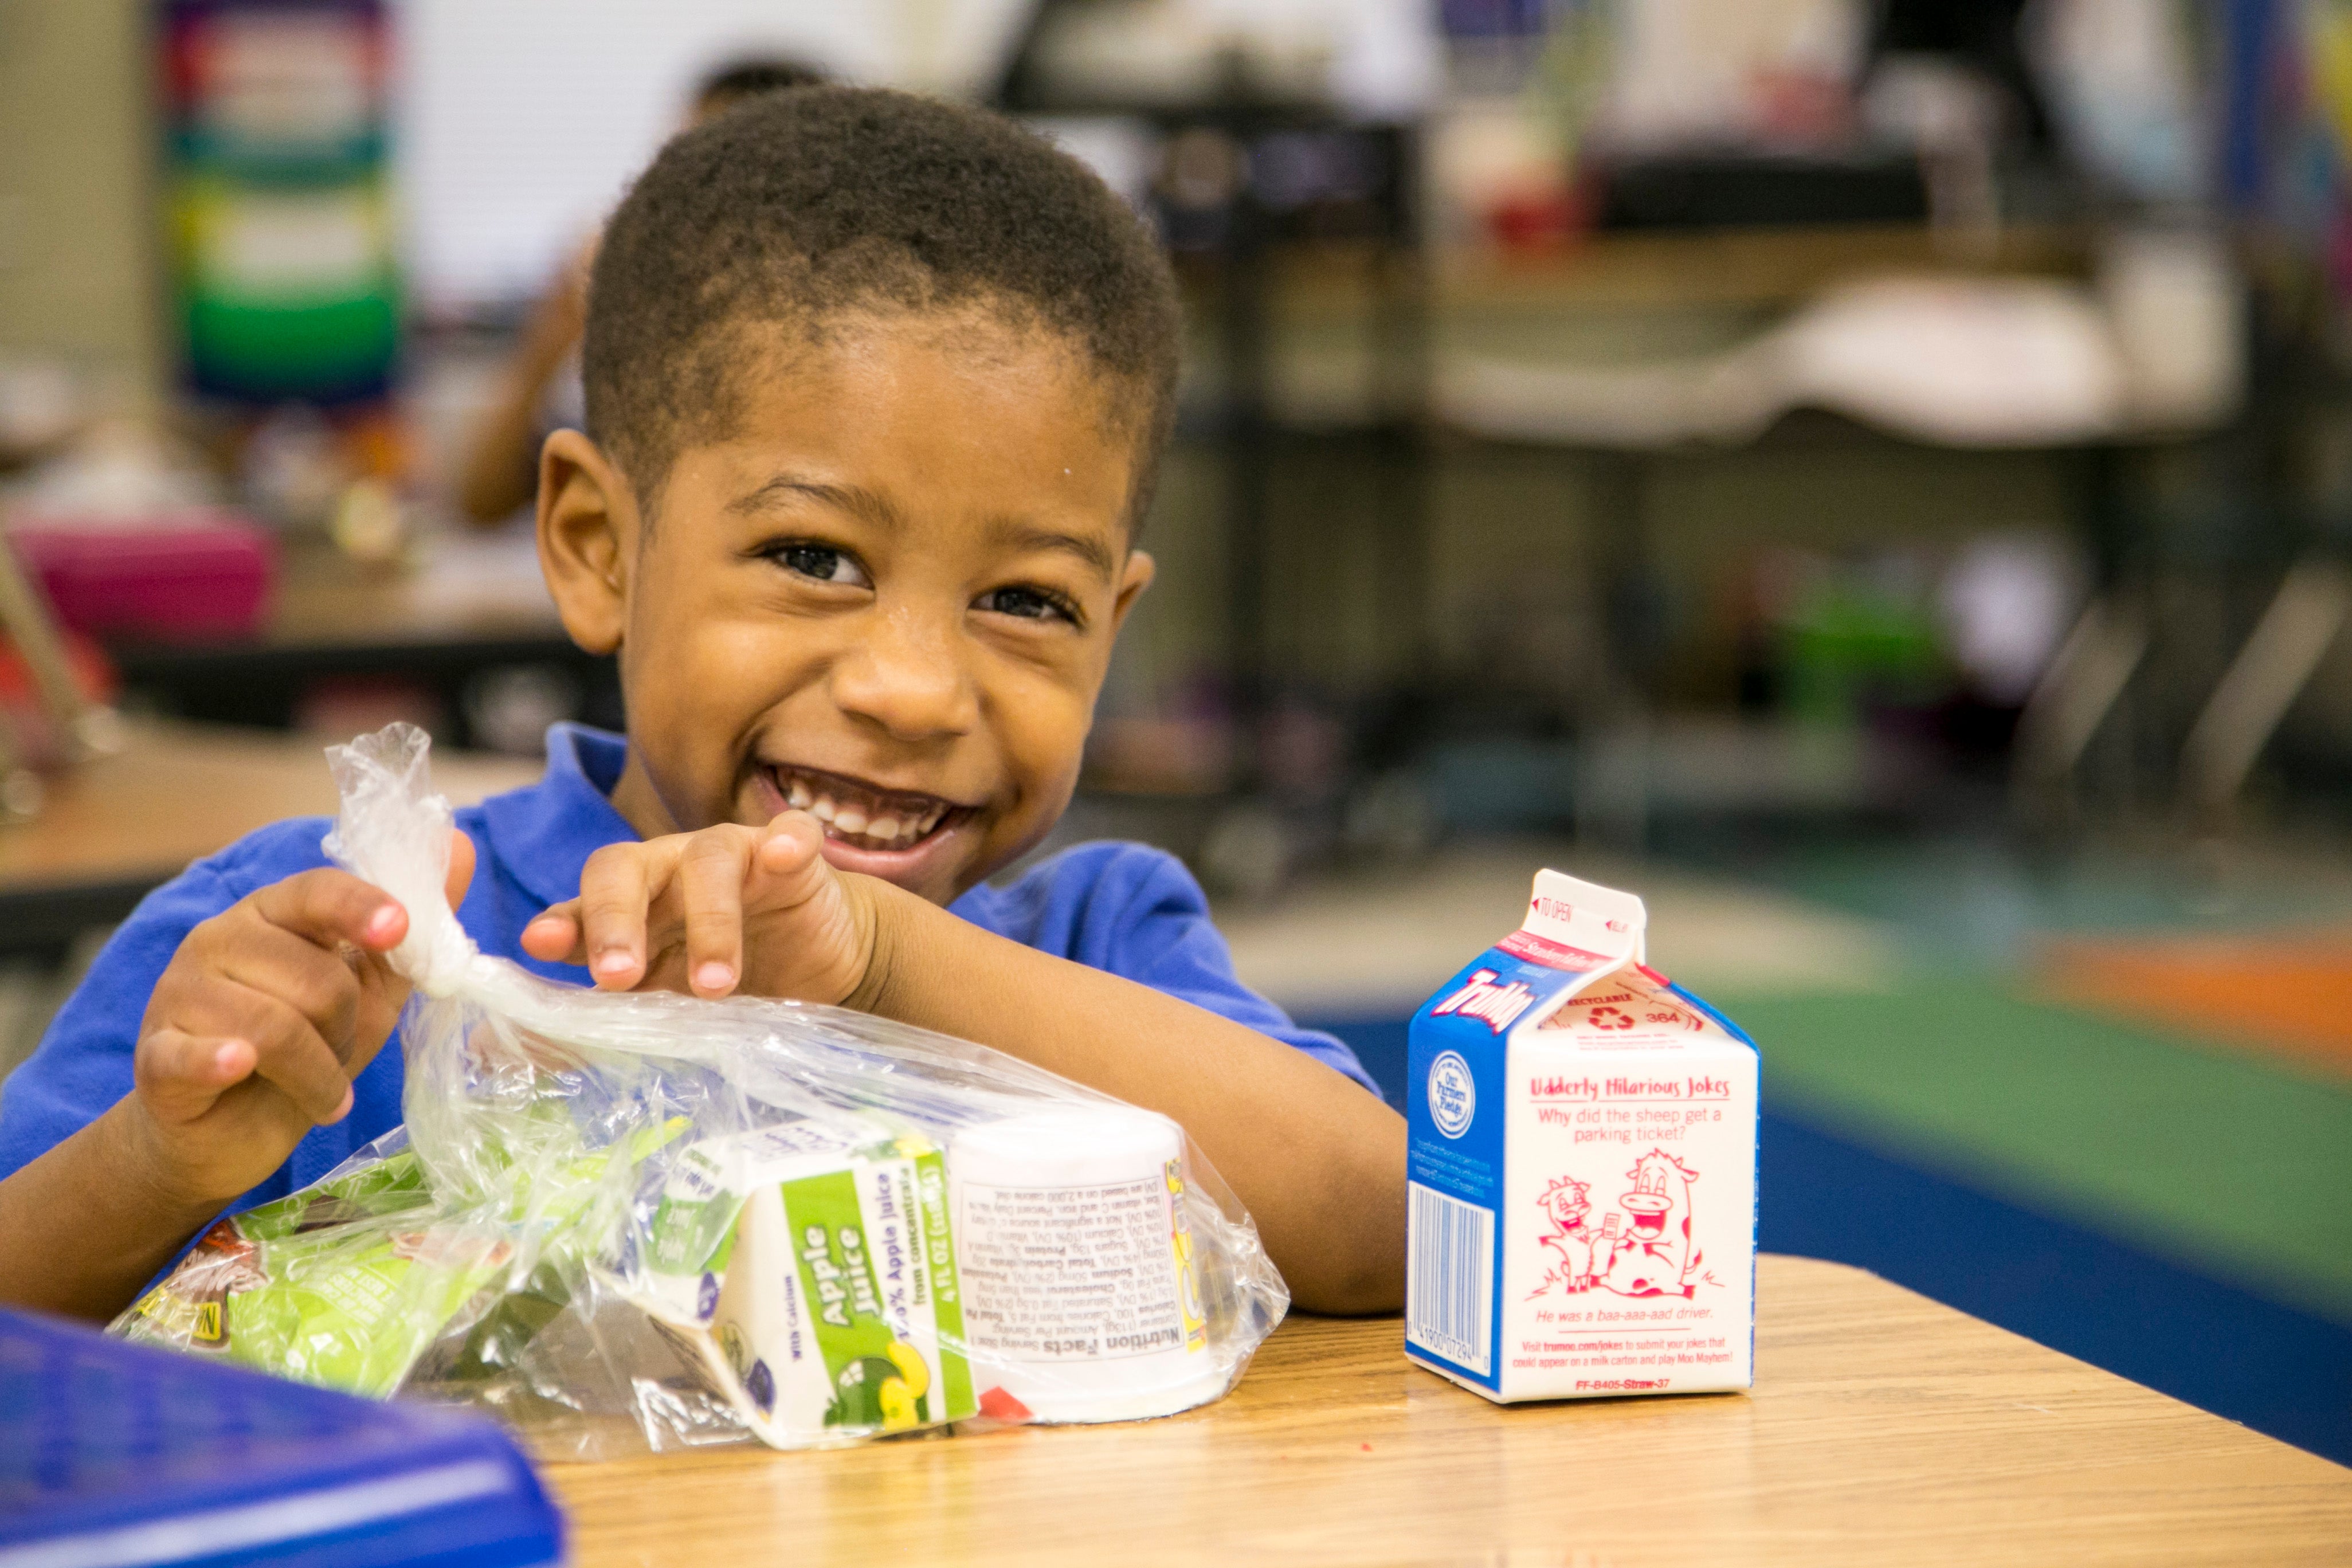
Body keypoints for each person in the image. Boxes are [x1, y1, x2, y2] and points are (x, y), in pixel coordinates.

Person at [0, 88, 1406, 1322]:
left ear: (1114, 624)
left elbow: (1393, 1224)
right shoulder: (331, 950)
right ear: (598, 547)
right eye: (813, 559)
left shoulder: (1094, 943)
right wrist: (156, 1163)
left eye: (1027, 601)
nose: (912, 688)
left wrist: (883, 962)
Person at [453, 56, 830, 526]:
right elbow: (479, 504)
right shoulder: (642, 343)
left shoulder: (840, 368)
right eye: (680, 174)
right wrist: (555, 333)